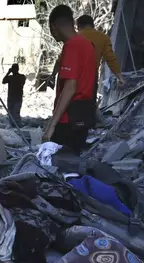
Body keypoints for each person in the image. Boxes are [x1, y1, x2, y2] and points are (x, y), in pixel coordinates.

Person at [43, 5, 97, 153]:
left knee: (58, 168)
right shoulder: (88, 46)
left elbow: (70, 87)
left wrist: (51, 126)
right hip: (83, 117)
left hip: (67, 121)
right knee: (72, 166)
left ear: (54, 27)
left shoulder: (72, 46)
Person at [76, 15, 125, 89]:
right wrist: (120, 77)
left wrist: (53, 74)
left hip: (72, 79)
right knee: (88, 100)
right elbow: (111, 60)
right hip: (90, 80)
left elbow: (62, 57)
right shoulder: (103, 38)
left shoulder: (74, 37)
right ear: (93, 25)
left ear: (78, 26)